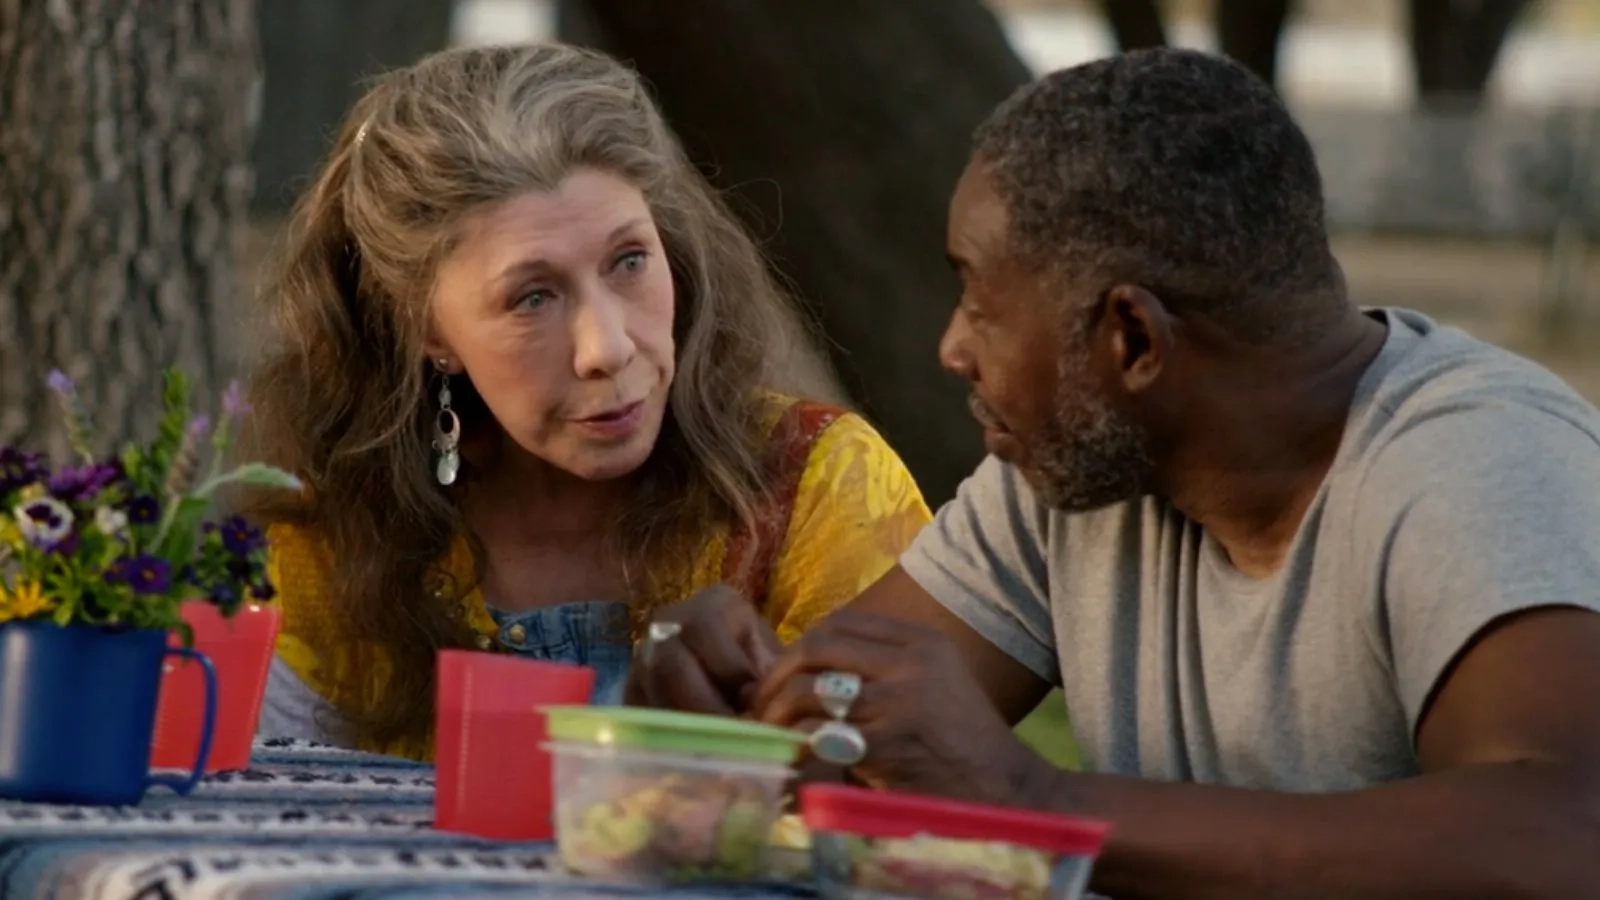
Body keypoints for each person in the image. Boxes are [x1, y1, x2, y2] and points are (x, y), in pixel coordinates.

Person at [630, 48, 1600, 897]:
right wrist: (734, 700)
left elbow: (1562, 836)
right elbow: (846, 732)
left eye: (977, 300)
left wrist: (1032, 800)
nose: (950, 348)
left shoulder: (1477, 461)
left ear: (1131, 337)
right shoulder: (1072, 475)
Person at [240, 43, 930, 761]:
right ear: (426, 330)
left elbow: (893, 810)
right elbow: (256, 816)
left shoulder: (817, 489)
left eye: (629, 261)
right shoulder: (333, 547)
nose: (606, 347)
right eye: (532, 297)